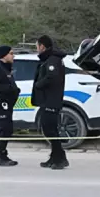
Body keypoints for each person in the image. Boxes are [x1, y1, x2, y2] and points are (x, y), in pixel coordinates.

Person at [32, 35, 69, 170]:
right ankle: (55, 156)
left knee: (50, 130)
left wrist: (38, 84)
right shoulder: (49, 59)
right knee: (49, 130)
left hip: (51, 101)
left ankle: (60, 158)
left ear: (42, 46)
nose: (37, 49)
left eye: (37, 46)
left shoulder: (53, 60)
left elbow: (52, 77)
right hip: (46, 100)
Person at [0, 45, 21, 167]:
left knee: (6, 129)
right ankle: (0, 156)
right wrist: (11, 90)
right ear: (4, 55)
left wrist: (15, 91)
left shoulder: (6, 68)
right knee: (4, 129)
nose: (13, 56)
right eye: (11, 53)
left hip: (6, 103)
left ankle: (2, 153)